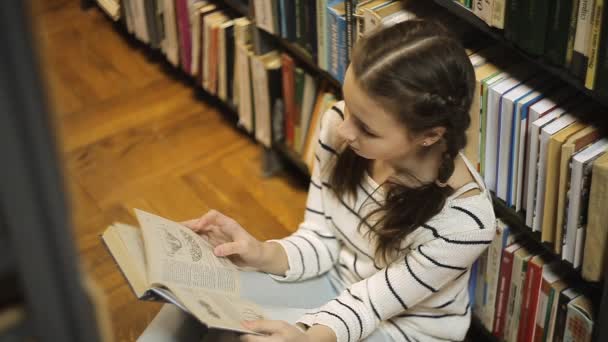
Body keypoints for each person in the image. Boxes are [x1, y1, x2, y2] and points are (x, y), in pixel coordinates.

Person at [146, 19, 496, 342]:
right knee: (195, 295)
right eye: (348, 106)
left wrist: (306, 336)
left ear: (430, 135)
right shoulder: (337, 127)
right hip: (337, 285)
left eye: (367, 128)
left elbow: (372, 303)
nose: (344, 129)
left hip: (401, 328)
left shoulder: (465, 223)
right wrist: (261, 253)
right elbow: (323, 237)